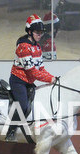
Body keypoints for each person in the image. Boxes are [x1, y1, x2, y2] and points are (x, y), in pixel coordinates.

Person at [6, 14, 57, 142]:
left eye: (41, 33)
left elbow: (41, 69)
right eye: (37, 32)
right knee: (23, 105)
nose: (40, 35)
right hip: (18, 81)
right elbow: (33, 72)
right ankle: (11, 130)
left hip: (29, 81)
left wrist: (53, 77)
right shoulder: (23, 47)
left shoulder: (37, 47)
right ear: (29, 32)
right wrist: (49, 80)